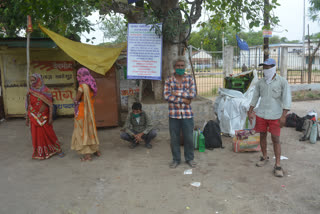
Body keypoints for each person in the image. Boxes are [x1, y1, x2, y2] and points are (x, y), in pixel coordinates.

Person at [248, 58, 291, 177]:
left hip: (276, 116)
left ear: (273, 68)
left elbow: (287, 99)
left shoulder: (282, 82)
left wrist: (283, 116)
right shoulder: (260, 83)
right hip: (261, 114)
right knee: (262, 136)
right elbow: (255, 98)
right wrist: (250, 111)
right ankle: (264, 157)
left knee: (275, 139)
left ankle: (278, 164)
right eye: (264, 68)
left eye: (267, 67)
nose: (265, 70)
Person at [164, 56, 197, 168]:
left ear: (185, 66)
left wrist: (176, 93)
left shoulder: (189, 79)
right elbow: (167, 96)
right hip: (173, 115)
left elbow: (193, 94)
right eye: (178, 66)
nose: (180, 67)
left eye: (182, 66)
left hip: (187, 114)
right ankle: (176, 159)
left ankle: (189, 158)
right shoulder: (169, 80)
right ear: (174, 67)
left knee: (189, 137)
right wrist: (183, 99)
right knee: (174, 139)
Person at [25, 74, 64, 160]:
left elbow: (50, 105)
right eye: (31, 81)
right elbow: (28, 105)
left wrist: (50, 118)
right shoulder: (30, 91)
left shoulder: (46, 90)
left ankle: (58, 149)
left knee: (49, 133)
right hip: (34, 117)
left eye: (34, 80)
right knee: (37, 135)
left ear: (39, 80)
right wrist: (27, 119)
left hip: (44, 116)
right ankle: (40, 152)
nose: (32, 82)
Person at [71, 67, 100, 161]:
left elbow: (77, 99)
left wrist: (74, 100)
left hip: (82, 112)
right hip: (90, 111)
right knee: (91, 130)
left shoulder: (82, 87)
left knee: (82, 132)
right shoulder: (92, 83)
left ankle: (87, 155)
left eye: (78, 75)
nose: (77, 77)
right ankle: (96, 150)